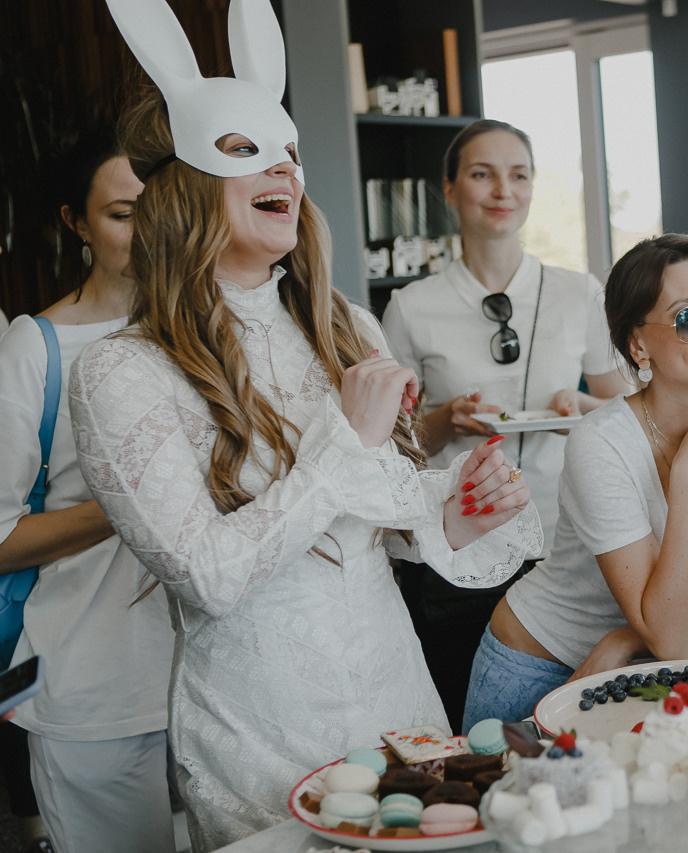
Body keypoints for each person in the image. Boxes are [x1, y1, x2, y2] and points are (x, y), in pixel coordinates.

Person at [72, 2, 540, 848]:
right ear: (182, 187)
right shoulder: (121, 372)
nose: (284, 167)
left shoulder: (346, 326)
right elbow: (210, 576)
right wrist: (344, 444)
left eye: (289, 150)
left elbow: (378, 520)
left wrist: (451, 511)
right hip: (260, 727)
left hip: (398, 699)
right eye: (247, 150)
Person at [463, 234, 688, 731]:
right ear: (638, 344)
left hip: (651, 663)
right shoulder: (600, 442)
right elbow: (668, 636)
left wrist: (628, 636)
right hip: (546, 667)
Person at [381, 119, 629, 730]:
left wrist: (578, 411)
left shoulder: (578, 293)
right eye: (482, 174)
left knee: (570, 722)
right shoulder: (411, 306)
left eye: (518, 175)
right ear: (450, 189)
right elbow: (388, 448)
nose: (503, 191)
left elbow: (627, 414)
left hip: (566, 540)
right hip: (455, 548)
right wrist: (444, 421)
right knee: (468, 729)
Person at [0, 129, 176, 853]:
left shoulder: (207, 329)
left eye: (159, 210)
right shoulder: (36, 347)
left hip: (221, 676)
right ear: (77, 223)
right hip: (95, 684)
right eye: (123, 214)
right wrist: (128, 507)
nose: (148, 232)